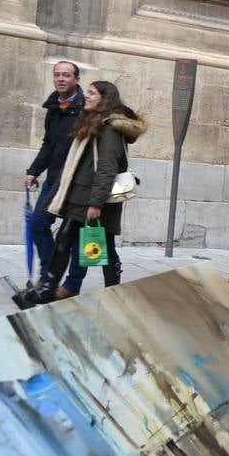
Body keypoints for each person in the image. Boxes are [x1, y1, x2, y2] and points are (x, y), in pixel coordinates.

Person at [22, 81, 146, 304]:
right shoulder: (92, 123)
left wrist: (96, 203)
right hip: (80, 196)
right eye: (87, 92)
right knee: (65, 239)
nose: (86, 96)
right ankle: (48, 289)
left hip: (95, 199)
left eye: (92, 93)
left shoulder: (110, 129)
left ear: (104, 99)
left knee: (103, 245)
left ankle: (111, 290)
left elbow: (107, 168)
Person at [23, 60, 88, 298]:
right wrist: (34, 170)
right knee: (38, 223)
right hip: (54, 179)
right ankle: (49, 275)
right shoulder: (54, 106)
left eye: (66, 75)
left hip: (77, 183)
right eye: (57, 74)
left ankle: (71, 285)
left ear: (76, 79)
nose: (61, 79)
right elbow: (48, 143)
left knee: (77, 236)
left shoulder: (87, 109)